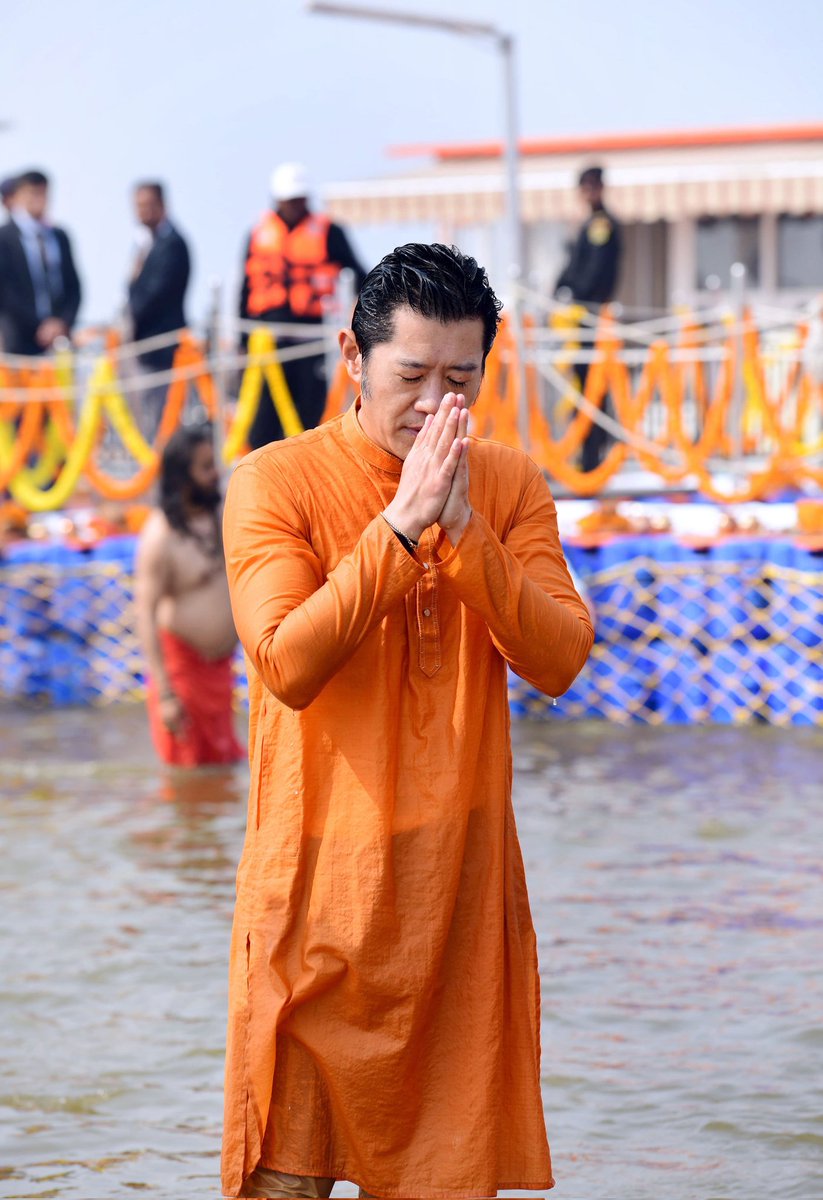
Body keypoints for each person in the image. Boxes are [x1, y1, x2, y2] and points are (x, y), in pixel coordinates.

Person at [221, 243, 595, 1199]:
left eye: (460, 379)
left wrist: (463, 533)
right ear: (353, 356)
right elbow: (285, 663)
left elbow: (558, 659)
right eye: (412, 375)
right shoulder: (276, 483)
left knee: (447, 1178)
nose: (435, 403)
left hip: (453, 917)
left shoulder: (508, 487)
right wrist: (397, 531)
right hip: (317, 907)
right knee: (283, 1182)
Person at [134, 424, 244, 767]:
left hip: (221, 672)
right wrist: (165, 694)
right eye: (206, 467)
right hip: (182, 674)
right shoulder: (159, 536)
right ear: (183, 476)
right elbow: (144, 616)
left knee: (223, 772)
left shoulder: (219, 516)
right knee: (188, 781)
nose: (215, 475)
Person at [239, 161, 366, 449]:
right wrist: (241, 341)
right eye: (289, 200)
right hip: (267, 345)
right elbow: (245, 290)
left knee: (311, 414)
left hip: (311, 341)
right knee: (263, 422)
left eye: (299, 199)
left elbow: (361, 274)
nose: (295, 206)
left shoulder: (329, 231)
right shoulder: (258, 234)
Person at [554, 165, 622, 471]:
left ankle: (592, 457)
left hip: (592, 315)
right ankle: (586, 452)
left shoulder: (601, 224)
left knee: (593, 385)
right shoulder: (589, 223)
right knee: (583, 384)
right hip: (583, 315)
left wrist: (572, 290)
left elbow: (594, 272)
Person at [127, 181, 191, 439]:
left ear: (162, 205)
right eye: (139, 206)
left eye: (148, 205)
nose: (142, 211)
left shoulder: (171, 244)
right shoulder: (147, 244)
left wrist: (130, 317)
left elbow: (154, 295)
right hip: (146, 348)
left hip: (162, 348)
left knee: (163, 420)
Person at [0, 169, 82, 357]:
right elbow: (6, 292)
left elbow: (74, 287)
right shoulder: (4, 238)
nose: (39, 199)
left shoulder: (59, 236)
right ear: (18, 196)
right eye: (32, 193)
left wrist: (62, 323)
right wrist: (39, 325)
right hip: (18, 340)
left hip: (58, 342)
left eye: (43, 193)